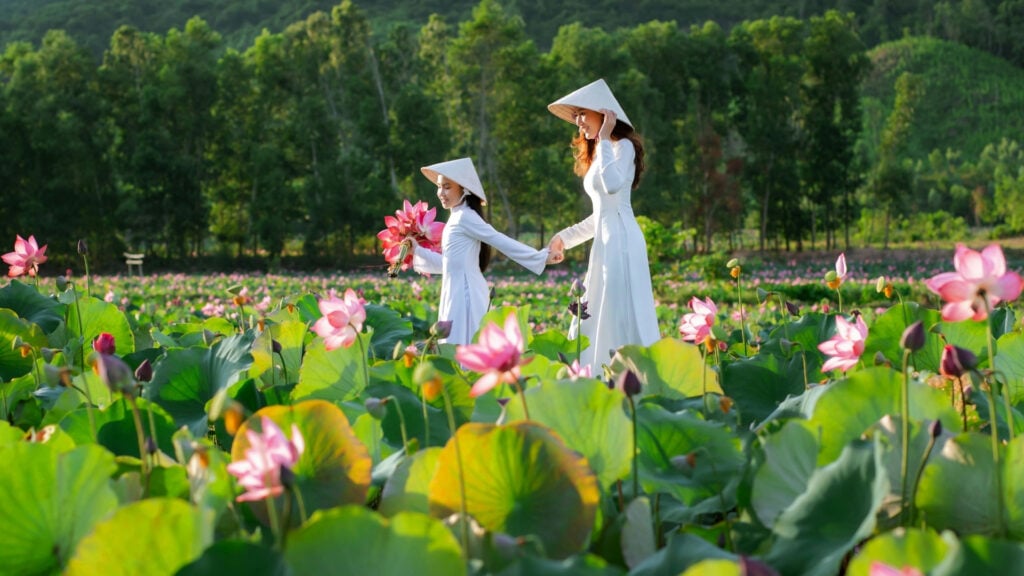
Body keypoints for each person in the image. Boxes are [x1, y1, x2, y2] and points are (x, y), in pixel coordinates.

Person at [546, 78, 660, 374]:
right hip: (606, 241)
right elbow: (599, 217)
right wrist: (563, 238)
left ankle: (634, 380)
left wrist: (607, 137)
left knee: (621, 310)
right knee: (596, 311)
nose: (579, 122)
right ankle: (599, 377)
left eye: (583, 114)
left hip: (622, 241)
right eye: (576, 117)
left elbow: (612, 187)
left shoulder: (623, 147)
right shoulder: (601, 153)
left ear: (605, 113)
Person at [409, 157, 562, 346]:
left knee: (466, 346)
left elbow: (499, 240)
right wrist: (417, 250)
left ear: (463, 189)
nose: (441, 192)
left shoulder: (466, 217)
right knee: (456, 347)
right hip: (455, 290)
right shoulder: (456, 217)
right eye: (439, 186)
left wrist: (540, 257)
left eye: (447, 187)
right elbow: (449, 265)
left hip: (466, 295)